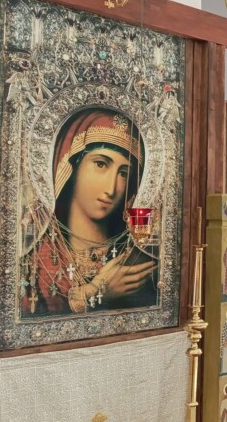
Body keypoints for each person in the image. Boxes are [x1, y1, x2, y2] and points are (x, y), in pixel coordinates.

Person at [22, 107, 157, 316]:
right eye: (101, 164)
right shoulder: (37, 258)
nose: (111, 188)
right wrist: (92, 293)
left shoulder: (135, 256)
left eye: (123, 173)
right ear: (70, 167)